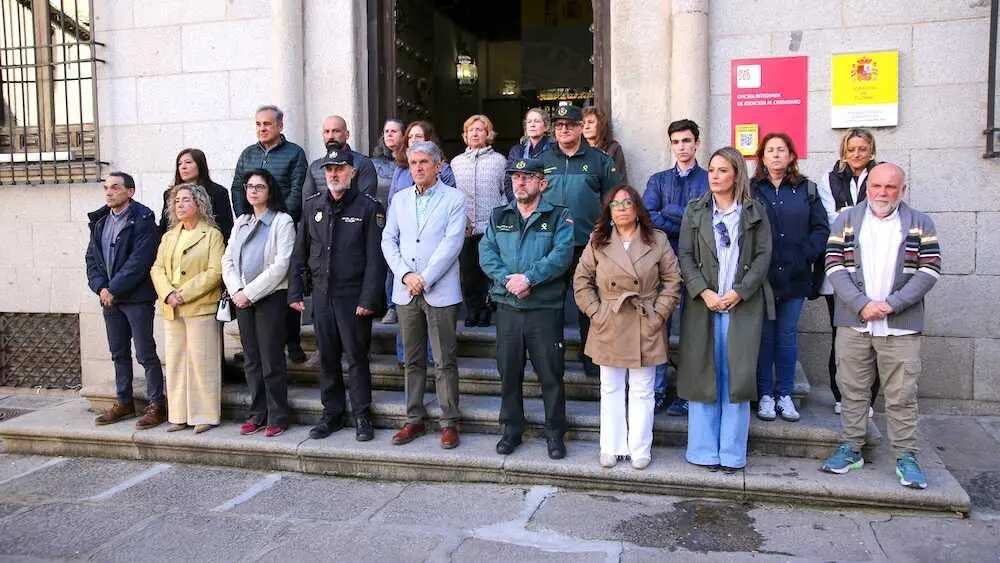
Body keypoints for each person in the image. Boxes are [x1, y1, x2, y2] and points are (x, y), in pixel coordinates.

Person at [820, 163, 941, 490]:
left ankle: (906, 456)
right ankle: (851, 448)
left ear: (903, 190)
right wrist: (861, 303)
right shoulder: (847, 220)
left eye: (890, 187)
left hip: (900, 324)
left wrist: (892, 304)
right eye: (877, 186)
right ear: (868, 187)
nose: (882, 193)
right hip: (854, 322)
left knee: (902, 394)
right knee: (852, 389)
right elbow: (833, 265)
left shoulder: (920, 223)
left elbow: (930, 270)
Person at [677, 147, 772, 472]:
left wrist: (740, 292)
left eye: (722, 170)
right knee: (703, 374)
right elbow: (685, 255)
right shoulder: (695, 210)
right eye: (712, 170)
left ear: (736, 175)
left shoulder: (754, 212)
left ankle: (732, 454)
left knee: (736, 376)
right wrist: (703, 291)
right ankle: (703, 451)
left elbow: (763, 257)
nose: (714, 176)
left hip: (740, 306)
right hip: (704, 306)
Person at [574, 185, 681, 470]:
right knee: (610, 387)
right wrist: (596, 312)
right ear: (608, 211)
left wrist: (658, 314)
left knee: (643, 389)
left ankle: (639, 448)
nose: (621, 208)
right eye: (615, 204)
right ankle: (611, 446)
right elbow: (581, 280)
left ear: (637, 208)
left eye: (627, 203)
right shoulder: (597, 240)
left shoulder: (657, 239)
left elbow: (673, 280)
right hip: (609, 320)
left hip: (645, 318)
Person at [479, 158, 574, 459]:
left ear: (542, 183)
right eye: (516, 177)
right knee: (509, 373)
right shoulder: (499, 216)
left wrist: (530, 278)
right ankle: (511, 429)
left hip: (543, 309)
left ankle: (555, 433)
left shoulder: (559, 216)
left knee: (551, 375)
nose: (520, 182)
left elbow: (561, 255)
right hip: (508, 307)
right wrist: (509, 281)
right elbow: (486, 253)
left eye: (528, 177)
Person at [289, 149, 387, 441]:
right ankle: (331, 413)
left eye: (340, 168)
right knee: (328, 357)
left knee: (356, 357)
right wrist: (295, 290)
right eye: (329, 169)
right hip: (322, 294)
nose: (333, 174)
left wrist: (368, 299)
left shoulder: (368, 207)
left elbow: (375, 259)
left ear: (352, 172)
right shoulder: (313, 206)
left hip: (352, 296)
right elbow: (300, 251)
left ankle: (362, 415)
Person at [381, 140, 467, 449]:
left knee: (444, 360)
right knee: (412, 360)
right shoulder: (400, 199)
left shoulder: (454, 198)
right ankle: (414, 418)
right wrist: (406, 275)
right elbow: (388, 239)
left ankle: (449, 420)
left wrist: (425, 278)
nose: (418, 168)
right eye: (413, 163)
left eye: (424, 162)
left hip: (439, 290)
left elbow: (452, 243)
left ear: (438, 165)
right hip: (405, 290)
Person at [751, 132, 829, 423]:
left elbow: (821, 228)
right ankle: (765, 395)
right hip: (762, 277)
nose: (775, 155)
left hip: (795, 275)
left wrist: (806, 256)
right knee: (764, 337)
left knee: (786, 336)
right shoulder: (751, 189)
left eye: (781, 150)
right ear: (762, 157)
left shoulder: (806, 189)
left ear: (791, 156)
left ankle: (784, 394)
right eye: (770, 150)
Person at [539, 104, 619, 379]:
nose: (564, 129)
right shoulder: (542, 160)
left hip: (588, 245)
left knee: (589, 304)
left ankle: (591, 359)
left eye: (570, 125)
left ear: (580, 127)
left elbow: (614, 199)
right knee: (551, 305)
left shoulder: (599, 160)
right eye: (559, 125)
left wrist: (604, 233)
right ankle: (551, 360)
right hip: (550, 246)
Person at [86, 172, 166, 429]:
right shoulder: (99, 220)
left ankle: (157, 405)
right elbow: (92, 259)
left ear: (130, 192)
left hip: (136, 298)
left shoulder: (143, 219)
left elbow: (140, 261)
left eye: (115, 187)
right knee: (118, 353)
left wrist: (113, 289)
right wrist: (100, 288)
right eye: (106, 188)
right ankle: (124, 402)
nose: (109, 192)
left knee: (145, 353)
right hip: (109, 299)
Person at [229, 104, 309, 364]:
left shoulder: (294, 153)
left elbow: (297, 190)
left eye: (267, 124)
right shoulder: (248, 154)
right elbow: (237, 188)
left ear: (280, 126)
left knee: (284, 282)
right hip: (252, 224)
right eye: (258, 124)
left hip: (281, 225)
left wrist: (278, 218)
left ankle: (292, 342)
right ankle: (253, 344)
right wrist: (247, 218)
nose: (262, 129)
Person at [642, 118, 710, 417]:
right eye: (676, 142)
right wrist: (685, 219)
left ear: (697, 143)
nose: (681, 147)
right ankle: (657, 392)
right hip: (662, 264)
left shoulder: (708, 179)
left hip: (699, 264)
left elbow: (706, 219)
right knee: (659, 329)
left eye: (686, 141)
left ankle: (687, 392)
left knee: (692, 332)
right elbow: (648, 216)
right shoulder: (658, 180)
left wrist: (670, 212)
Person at [222, 169, 296, 438]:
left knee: (271, 359)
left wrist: (249, 293)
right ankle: (257, 413)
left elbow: (281, 265)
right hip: (242, 298)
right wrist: (236, 290)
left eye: (259, 187)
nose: (253, 191)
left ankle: (278, 415)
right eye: (249, 187)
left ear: (270, 190)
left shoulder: (282, 221)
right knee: (251, 359)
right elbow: (228, 259)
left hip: (270, 298)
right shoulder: (241, 221)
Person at [150, 183, 225, 434]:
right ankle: (178, 415)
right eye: (177, 201)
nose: (180, 205)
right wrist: (168, 293)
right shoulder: (169, 236)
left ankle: (204, 415)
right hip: (172, 308)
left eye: (186, 200)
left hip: (200, 307)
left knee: (202, 362)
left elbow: (215, 271)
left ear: (199, 204)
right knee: (175, 363)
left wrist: (184, 293)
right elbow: (157, 268)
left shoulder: (212, 235)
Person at [817, 128, 882, 416]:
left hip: (875, 270)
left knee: (873, 337)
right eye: (851, 149)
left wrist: (847, 214)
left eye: (862, 149)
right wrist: (861, 214)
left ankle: (867, 399)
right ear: (844, 151)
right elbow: (830, 219)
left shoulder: (880, 176)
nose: (856, 154)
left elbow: (884, 214)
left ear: (871, 150)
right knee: (841, 335)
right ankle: (841, 395)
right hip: (840, 271)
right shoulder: (829, 179)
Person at [451, 114, 508, 328]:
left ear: (488, 134)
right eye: (470, 130)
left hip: (490, 227)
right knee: (468, 273)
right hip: (465, 228)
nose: (475, 133)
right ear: (465, 136)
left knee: (489, 272)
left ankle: (487, 310)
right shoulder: (456, 163)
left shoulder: (499, 161)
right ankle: (472, 310)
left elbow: (505, 192)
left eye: (479, 130)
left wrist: (500, 218)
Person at [159, 149, 234, 242]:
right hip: (175, 243)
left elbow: (226, 228)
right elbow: (164, 227)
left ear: (200, 165)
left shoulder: (218, 192)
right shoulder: (169, 194)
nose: (183, 167)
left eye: (188, 162)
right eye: (179, 164)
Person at [373, 118, 407, 325]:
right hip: (382, 220)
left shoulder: (410, 162)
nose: (389, 135)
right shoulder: (374, 163)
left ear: (404, 135)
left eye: (394, 131)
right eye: (386, 131)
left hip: (406, 220)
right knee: (386, 264)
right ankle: (388, 306)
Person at [301, 114, 378, 201]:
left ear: (347, 134)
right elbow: (308, 204)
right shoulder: (315, 167)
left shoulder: (362, 163)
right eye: (327, 131)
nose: (331, 136)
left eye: (336, 131)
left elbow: (367, 203)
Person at [387, 120, 456, 206]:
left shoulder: (443, 169)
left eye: (418, 136)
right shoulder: (400, 169)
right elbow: (392, 202)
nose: (413, 140)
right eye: (410, 137)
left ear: (428, 139)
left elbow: (450, 200)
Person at [504, 107, 555, 200]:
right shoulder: (516, 151)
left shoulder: (554, 149)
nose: (532, 125)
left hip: (546, 201)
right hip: (520, 201)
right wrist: (516, 202)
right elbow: (508, 180)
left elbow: (554, 181)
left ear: (546, 127)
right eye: (529, 122)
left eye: (537, 121)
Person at [582, 106, 628, 184]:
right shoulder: (578, 149)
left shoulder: (613, 149)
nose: (586, 127)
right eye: (583, 123)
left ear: (601, 124)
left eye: (590, 122)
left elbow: (620, 181)